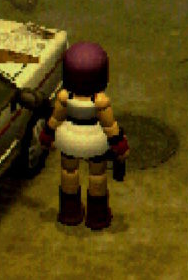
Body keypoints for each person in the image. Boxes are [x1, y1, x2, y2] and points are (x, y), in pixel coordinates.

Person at [39, 42, 129, 230]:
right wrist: (120, 146)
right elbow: (110, 127)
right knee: (97, 175)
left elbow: (55, 119)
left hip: (69, 139)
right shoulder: (101, 102)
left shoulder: (65, 97)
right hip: (94, 142)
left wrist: (47, 135)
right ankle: (97, 216)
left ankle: (70, 212)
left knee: (69, 172)